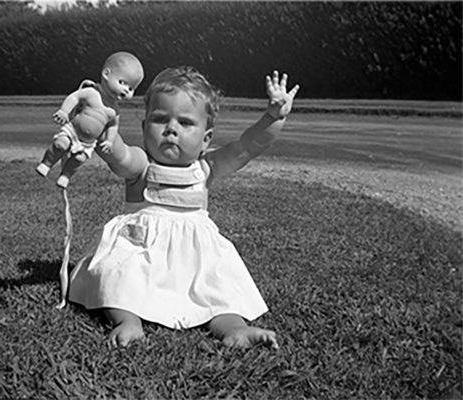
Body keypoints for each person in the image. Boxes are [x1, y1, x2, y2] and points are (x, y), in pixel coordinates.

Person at [68, 66, 299, 348]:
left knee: (218, 285)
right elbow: (119, 155)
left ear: (206, 138)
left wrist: (274, 116)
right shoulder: (141, 165)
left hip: (194, 256)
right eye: (160, 119)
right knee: (118, 274)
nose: (171, 129)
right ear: (143, 127)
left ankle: (234, 328)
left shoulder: (206, 168)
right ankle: (127, 320)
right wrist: (102, 126)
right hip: (141, 249)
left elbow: (247, 147)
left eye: (186, 123)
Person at [35, 51, 144, 188]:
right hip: (73, 130)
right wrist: (64, 111)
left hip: (88, 142)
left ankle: (66, 175)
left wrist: (109, 141)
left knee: (79, 159)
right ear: (106, 74)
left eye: (131, 88)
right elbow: (75, 97)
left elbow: (113, 126)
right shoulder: (92, 93)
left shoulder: (114, 110)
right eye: (122, 83)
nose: (126, 90)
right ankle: (47, 163)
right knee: (60, 144)